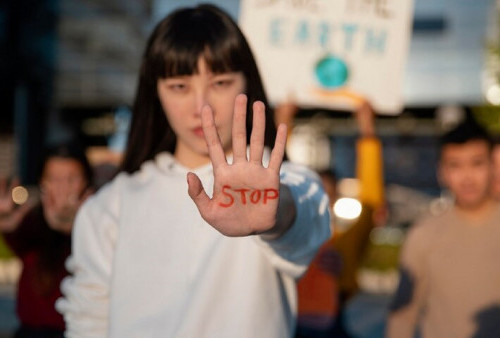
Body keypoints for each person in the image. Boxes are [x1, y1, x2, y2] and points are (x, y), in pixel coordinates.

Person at [55, 4, 331, 338]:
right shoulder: (111, 205)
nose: (202, 108)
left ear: (249, 83)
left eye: (221, 82)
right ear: (155, 92)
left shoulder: (281, 181)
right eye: (179, 87)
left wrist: (276, 211)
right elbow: (88, 321)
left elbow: (303, 210)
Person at [278, 98, 385, 337]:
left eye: (328, 195)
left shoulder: (344, 241)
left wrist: (368, 130)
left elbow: (370, 201)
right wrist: (283, 122)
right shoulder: (286, 232)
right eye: (316, 195)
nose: (322, 203)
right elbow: (276, 178)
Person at [386, 117, 500, 338]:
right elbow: (403, 315)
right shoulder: (424, 236)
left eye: (477, 163)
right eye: (455, 165)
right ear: (442, 172)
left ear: (493, 166)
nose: (467, 177)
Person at [0, 142, 93, 338]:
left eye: (71, 179)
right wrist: (6, 221)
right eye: (54, 178)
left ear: (87, 182)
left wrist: (75, 227)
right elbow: (17, 237)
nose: (62, 188)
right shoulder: (32, 222)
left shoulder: (100, 227)